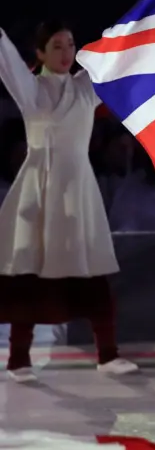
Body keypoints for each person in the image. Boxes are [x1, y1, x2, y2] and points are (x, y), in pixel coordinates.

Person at [0, 22, 138, 382]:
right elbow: (7, 60)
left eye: (71, 45)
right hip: (39, 187)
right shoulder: (31, 89)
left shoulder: (84, 87)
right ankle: (18, 359)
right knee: (28, 272)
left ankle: (107, 354)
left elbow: (120, 60)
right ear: (41, 53)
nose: (66, 53)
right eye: (57, 46)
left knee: (90, 270)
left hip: (77, 187)